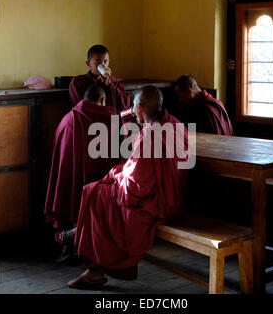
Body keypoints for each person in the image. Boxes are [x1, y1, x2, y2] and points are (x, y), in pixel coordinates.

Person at [61, 86, 189, 288]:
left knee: (95, 192)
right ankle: (82, 238)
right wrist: (121, 172)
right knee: (99, 190)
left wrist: (115, 174)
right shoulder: (174, 124)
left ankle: (91, 262)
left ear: (138, 107)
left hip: (153, 203)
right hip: (172, 195)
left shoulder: (149, 136)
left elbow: (135, 189)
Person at [44, 84, 120, 240]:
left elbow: (60, 155)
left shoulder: (68, 119)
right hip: (103, 182)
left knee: (73, 198)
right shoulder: (113, 118)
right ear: (103, 99)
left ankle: (73, 239)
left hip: (72, 178)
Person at [69, 44, 131, 112]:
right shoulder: (78, 82)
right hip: (91, 119)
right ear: (88, 63)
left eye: (105, 62)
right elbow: (81, 107)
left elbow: (125, 106)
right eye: (98, 62)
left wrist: (109, 86)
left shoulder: (115, 82)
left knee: (115, 119)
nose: (102, 65)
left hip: (113, 118)